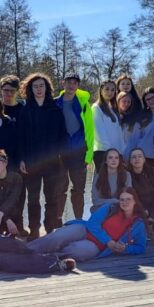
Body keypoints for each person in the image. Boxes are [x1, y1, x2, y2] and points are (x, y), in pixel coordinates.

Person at [28, 187, 147, 262]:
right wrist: (108, 241)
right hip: (85, 230)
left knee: (78, 252)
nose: (124, 202)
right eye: (122, 199)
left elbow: (140, 247)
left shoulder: (138, 224)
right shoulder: (110, 207)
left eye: (128, 199)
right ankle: (26, 249)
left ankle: (43, 258)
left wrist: (125, 249)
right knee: (58, 237)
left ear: (135, 201)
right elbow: (92, 223)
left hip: (97, 246)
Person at [16, 72, 68, 238]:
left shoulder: (55, 110)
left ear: (47, 88)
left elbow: (63, 136)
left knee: (51, 197)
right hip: (32, 162)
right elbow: (20, 137)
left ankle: (50, 228)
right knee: (32, 199)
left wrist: (61, 156)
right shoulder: (25, 111)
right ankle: (34, 229)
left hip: (52, 162)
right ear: (30, 89)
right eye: (35, 86)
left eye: (41, 86)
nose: (38, 89)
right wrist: (22, 159)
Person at [54, 72, 94, 223]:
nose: (71, 85)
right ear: (63, 83)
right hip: (60, 154)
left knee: (78, 190)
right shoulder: (55, 103)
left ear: (78, 86)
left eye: (75, 83)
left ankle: (78, 221)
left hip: (79, 153)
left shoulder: (83, 103)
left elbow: (90, 131)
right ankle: (57, 220)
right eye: (69, 82)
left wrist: (88, 155)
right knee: (59, 189)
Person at [91, 79, 123, 170]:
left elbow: (119, 133)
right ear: (101, 90)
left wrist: (121, 152)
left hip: (115, 154)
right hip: (103, 154)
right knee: (103, 183)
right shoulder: (96, 108)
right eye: (107, 89)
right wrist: (111, 154)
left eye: (113, 90)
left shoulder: (113, 109)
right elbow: (100, 134)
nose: (110, 92)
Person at [116, 91, 142, 160]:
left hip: (128, 157)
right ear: (118, 101)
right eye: (124, 101)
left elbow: (136, 141)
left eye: (129, 102)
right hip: (113, 156)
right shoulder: (112, 117)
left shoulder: (134, 121)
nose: (126, 104)